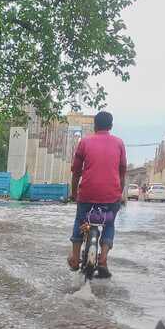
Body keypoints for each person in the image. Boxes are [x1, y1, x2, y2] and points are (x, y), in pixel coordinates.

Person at [68, 111, 127, 279]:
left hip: (87, 193)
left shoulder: (85, 142)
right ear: (111, 126)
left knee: (80, 221)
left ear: (95, 125)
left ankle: (74, 258)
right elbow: (122, 173)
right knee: (109, 225)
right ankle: (102, 260)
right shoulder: (119, 143)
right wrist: (119, 194)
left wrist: (74, 194)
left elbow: (76, 172)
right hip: (111, 195)